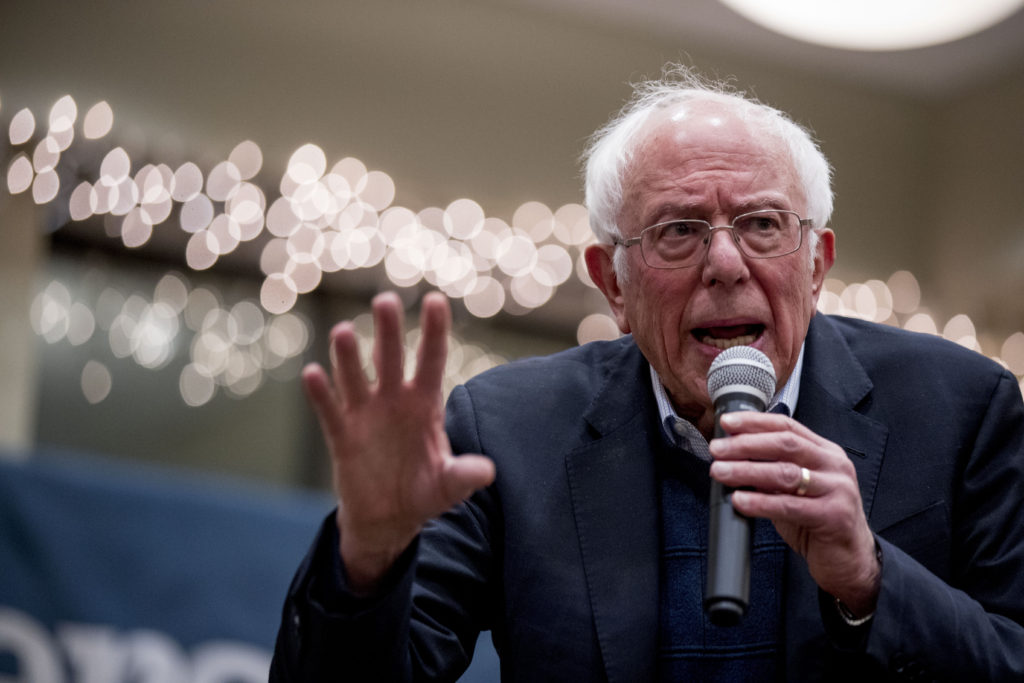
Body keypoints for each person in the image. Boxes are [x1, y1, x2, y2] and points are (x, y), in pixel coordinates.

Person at [270, 65, 1024, 681]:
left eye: (762, 224)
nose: (726, 264)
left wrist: (870, 580)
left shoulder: (962, 409)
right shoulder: (504, 430)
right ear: (613, 285)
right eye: (678, 231)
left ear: (817, 264)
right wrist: (366, 557)